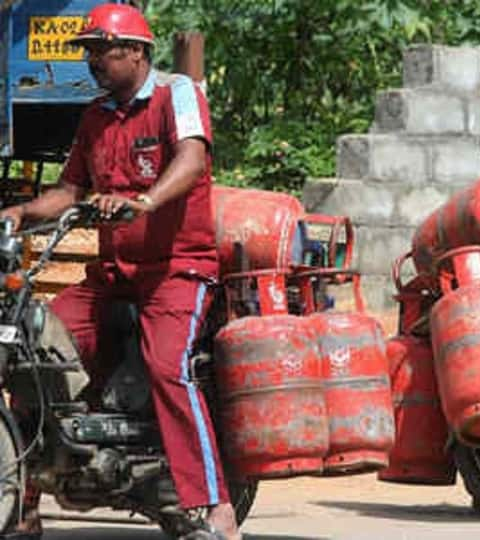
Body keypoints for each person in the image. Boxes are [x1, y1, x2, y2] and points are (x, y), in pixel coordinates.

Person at [0, 4, 240, 539]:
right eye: (87, 52)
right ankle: (23, 504)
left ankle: (214, 508)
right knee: (36, 350)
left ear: (134, 51)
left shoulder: (174, 93)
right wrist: (18, 214)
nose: (90, 62)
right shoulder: (96, 115)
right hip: (110, 276)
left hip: (177, 270)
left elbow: (192, 160)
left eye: (98, 51)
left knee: (168, 368)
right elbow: (69, 191)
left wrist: (146, 200)